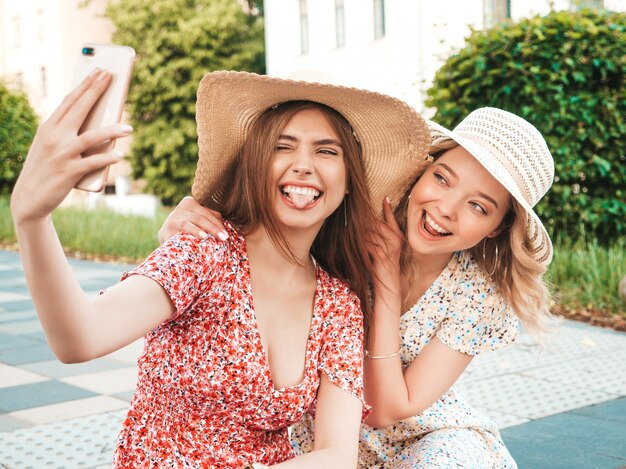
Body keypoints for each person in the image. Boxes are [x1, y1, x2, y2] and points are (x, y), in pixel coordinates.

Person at [10, 70, 431, 468]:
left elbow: (336, 457)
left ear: (348, 179)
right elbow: (79, 339)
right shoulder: (205, 251)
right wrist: (32, 219)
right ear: (254, 166)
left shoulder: (338, 303)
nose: (303, 164)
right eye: (282, 147)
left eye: (326, 150)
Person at [158, 107, 556, 468]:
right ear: (423, 172)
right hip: (319, 437)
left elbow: (385, 410)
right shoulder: (350, 229)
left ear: (499, 226)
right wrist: (182, 227)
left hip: (429, 439)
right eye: (441, 179)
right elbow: (260, 238)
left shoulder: (478, 295)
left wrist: (386, 285)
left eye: (478, 206)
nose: (446, 208)